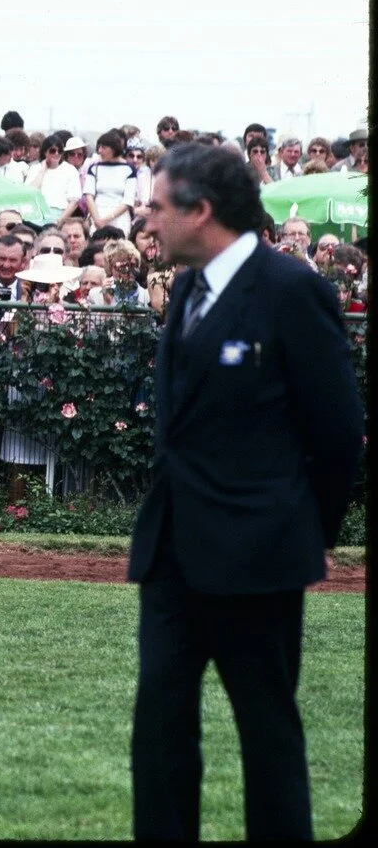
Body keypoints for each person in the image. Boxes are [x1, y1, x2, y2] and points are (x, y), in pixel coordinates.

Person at [127, 143, 362, 840]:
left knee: (267, 736)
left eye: (158, 205)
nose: (147, 219)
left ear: (200, 212)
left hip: (259, 560)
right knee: (160, 734)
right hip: (172, 556)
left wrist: (294, 533)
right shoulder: (191, 288)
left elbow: (338, 433)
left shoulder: (291, 290)